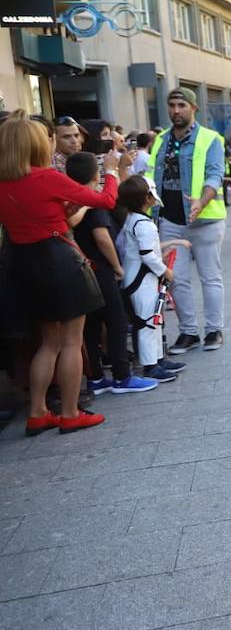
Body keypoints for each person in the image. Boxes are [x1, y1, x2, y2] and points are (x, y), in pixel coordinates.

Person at [0, 112, 126, 433]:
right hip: (61, 261)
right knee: (71, 342)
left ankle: (38, 411)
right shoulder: (46, 177)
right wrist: (110, 172)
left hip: (27, 264)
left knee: (49, 343)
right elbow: (106, 200)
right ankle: (70, 412)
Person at [64, 153, 157, 396]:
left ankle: (95, 378)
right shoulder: (94, 202)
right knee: (115, 321)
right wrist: (117, 266)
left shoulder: (72, 200)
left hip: (81, 269)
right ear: (96, 174)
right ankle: (122, 377)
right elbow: (102, 237)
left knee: (92, 325)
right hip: (101, 270)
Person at [148, 88, 227, 355]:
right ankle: (189, 332)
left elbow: (215, 175)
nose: (175, 110)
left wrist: (200, 202)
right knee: (177, 278)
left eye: (181, 105)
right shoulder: (160, 140)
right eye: (171, 105)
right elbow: (150, 176)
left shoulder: (210, 139)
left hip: (205, 220)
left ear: (194, 108)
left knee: (210, 277)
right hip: (170, 218)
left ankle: (214, 330)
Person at [116, 175, 186, 384]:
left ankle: (157, 359)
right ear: (147, 198)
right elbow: (147, 255)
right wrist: (165, 271)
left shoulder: (134, 220)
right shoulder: (143, 223)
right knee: (148, 322)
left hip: (142, 279)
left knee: (154, 320)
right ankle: (151, 366)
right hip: (142, 280)